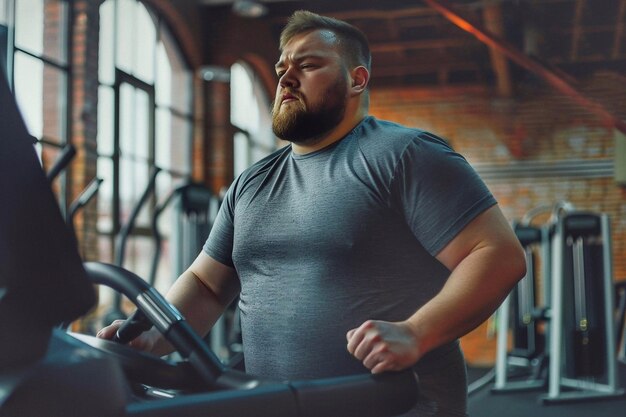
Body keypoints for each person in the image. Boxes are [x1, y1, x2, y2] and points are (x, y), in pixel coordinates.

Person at [98, 10, 526, 417]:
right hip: (277, 405)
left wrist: (416, 333)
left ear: (356, 79)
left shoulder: (405, 155)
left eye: (308, 65)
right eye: (282, 67)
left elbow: (498, 255)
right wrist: (157, 334)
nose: (286, 77)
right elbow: (207, 286)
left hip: (396, 406)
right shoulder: (251, 183)